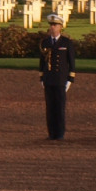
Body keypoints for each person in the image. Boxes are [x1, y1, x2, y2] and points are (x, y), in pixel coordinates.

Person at [40, 12, 76, 140]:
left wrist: (70, 79)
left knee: (59, 107)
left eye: (55, 25)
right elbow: (42, 62)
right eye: (51, 25)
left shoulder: (66, 43)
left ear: (61, 27)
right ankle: (51, 133)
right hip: (49, 79)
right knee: (50, 107)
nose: (52, 27)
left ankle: (59, 133)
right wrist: (42, 77)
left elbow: (71, 62)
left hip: (61, 80)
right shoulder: (45, 42)